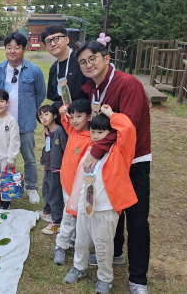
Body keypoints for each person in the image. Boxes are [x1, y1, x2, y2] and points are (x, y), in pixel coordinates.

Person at [77, 41, 151, 294]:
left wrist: (97, 151)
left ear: (106, 58)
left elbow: (127, 124)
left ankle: (138, 279)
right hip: (108, 162)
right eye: (83, 62)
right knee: (109, 209)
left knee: (137, 218)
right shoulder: (93, 89)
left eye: (93, 58)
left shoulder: (128, 84)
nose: (88, 64)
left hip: (133, 160)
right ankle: (115, 252)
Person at [64, 106, 138, 294]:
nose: (96, 136)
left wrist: (112, 115)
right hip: (85, 204)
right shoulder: (90, 149)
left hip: (105, 207)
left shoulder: (118, 151)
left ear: (111, 133)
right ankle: (79, 267)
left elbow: (128, 129)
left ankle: (105, 277)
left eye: (101, 132)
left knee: (103, 243)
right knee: (81, 239)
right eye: (93, 132)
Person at [0, 32, 46, 204]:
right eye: (9, 47)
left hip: (25, 124)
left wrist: (29, 111)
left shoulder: (35, 70)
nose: (13, 51)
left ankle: (31, 187)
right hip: (2, 124)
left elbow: (40, 94)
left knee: (29, 157)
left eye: (17, 47)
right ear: (5, 49)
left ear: (24, 49)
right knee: (2, 158)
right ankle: (3, 187)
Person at [51, 98, 92, 265]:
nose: (74, 120)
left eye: (79, 116)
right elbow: (64, 112)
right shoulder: (73, 130)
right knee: (70, 216)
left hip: (78, 186)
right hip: (66, 182)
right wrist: (65, 109)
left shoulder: (92, 138)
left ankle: (67, 242)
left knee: (73, 216)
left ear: (89, 117)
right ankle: (62, 245)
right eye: (72, 116)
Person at [41, 25, 88, 109]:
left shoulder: (81, 60)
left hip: (81, 116)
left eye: (56, 39)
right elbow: (54, 99)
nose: (52, 44)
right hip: (61, 118)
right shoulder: (54, 68)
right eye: (48, 42)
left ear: (67, 39)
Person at [37, 104, 67, 234]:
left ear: (55, 115)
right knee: (46, 189)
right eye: (41, 116)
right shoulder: (48, 131)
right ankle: (48, 211)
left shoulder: (59, 131)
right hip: (48, 166)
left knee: (55, 194)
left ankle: (57, 221)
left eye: (46, 114)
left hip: (57, 168)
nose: (43, 117)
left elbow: (65, 148)